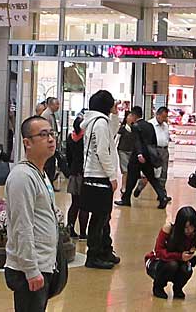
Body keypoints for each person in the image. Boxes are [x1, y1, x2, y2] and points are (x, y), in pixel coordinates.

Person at [4, 115, 59, 312]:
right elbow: (22, 226)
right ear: (27, 143)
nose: (51, 139)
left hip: (44, 262)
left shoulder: (40, 173)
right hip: (27, 269)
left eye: (52, 133)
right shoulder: (23, 177)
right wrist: (31, 270)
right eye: (43, 135)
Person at [80, 90, 120, 269]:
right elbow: (103, 151)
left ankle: (105, 250)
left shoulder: (93, 121)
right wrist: (112, 176)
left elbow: (113, 134)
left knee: (102, 217)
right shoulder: (101, 123)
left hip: (91, 174)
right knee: (99, 218)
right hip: (99, 176)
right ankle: (94, 255)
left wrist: (116, 116)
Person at [115, 107, 167, 209]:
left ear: (134, 116)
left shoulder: (136, 126)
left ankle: (126, 200)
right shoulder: (150, 125)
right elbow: (154, 141)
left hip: (137, 157)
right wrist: (153, 154)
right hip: (148, 156)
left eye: (130, 115)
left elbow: (137, 141)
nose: (129, 117)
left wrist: (139, 154)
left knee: (131, 178)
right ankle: (162, 197)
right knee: (152, 178)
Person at [144, 206, 196, 300]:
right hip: (157, 262)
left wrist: (189, 257)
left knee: (187, 269)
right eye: (186, 227)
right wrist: (180, 256)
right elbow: (159, 252)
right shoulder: (168, 229)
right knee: (172, 264)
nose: (189, 230)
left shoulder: (193, 235)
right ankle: (158, 287)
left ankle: (178, 288)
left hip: (178, 262)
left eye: (192, 227)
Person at [65, 115, 88, 239]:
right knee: (84, 204)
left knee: (74, 203)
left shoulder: (70, 137)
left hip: (74, 173)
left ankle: (70, 228)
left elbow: (68, 156)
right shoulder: (85, 138)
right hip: (84, 173)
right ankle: (83, 233)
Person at [148, 106, 172, 208]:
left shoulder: (165, 126)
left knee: (164, 172)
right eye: (163, 117)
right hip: (154, 150)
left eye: (166, 117)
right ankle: (140, 187)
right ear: (157, 115)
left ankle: (162, 193)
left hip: (164, 150)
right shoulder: (150, 124)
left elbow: (166, 137)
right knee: (152, 173)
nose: (164, 119)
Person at [115, 109, 138, 196]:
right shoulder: (122, 128)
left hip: (132, 151)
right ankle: (124, 186)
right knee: (125, 170)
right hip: (122, 150)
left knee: (131, 170)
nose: (131, 118)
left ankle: (128, 187)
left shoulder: (135, 128)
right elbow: (116, 139)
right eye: (130, 116)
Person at [40, 97, 60, 182]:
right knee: (48, 165)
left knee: (52, 164)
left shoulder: (51, 114)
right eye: (57, 104)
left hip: (52, 143)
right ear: (51, 104)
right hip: (47, 145)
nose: (58, 106)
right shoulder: (46, 115)